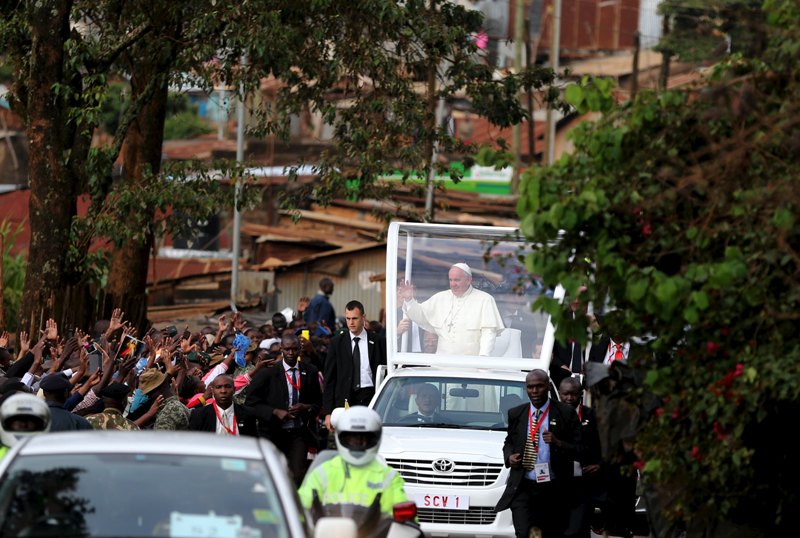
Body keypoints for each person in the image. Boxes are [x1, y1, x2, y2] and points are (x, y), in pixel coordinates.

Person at [496, 369, 581, 538]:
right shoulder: (517, 413)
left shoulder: (565, 413)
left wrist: (558, 443)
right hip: (523, 485)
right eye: (530, 387)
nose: (534, 391)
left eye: (539, 386)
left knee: (550, 533)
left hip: (553, 487)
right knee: (523, 532)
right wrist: (509, 456)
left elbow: (581, 449)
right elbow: (509, 442)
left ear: (549, 387)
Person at [298, 406, 409, 519]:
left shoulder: (388, 477)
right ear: (340, 437)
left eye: (364, 438)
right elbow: (300, 508)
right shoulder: (322, 473)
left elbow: (405, 518)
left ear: (375, 438)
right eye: (352, 438)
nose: (358, 442)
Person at [246, 333, 322, 485]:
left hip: (298, 433)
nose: (291, 353)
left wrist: (305, 407)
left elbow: (318, 402)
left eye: (294, 349)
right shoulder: (269, 373)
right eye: (287, 349)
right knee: (274, 474)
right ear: (281, 349)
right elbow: (251, 403)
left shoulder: (310, 371)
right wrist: (274, 412)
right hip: (273, 433)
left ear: (300, 349)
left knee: (298, 474)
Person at [398, 263, 504, 356]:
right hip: (442, 365)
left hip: (471, 365)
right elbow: (421, 316)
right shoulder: (440, 297)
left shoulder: (484, 299)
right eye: (450, 280)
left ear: (469, 280)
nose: (453, 284)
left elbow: (489, 332)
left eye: (457, 280)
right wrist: (409, 300)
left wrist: (483, 358)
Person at [323, 300, 386, 433]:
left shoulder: (378, 341)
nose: (351, 322)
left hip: (371, 397)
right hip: (346, 398)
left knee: (370, 436)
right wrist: (328, 412)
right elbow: (330, 379)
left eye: (355, 318)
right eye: (348, 318)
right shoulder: (337, 343)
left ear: (363, 318)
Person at [559, 377, 603, 538]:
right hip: (558, 481)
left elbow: (603, 445)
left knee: (580, 527)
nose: (569, 398)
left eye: (573, 394)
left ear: (581, 394)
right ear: (559, 393)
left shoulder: (591, 416)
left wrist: (599, 465)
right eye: (565, 394)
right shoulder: (552, 413)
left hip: (584, 481)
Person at [189, 374, 259, 436]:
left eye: (227, 386)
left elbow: (253, 441)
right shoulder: (199, 415)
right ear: (212, 391)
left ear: (234, 390)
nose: (223, 391)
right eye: (219, 387)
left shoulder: (248, 414)